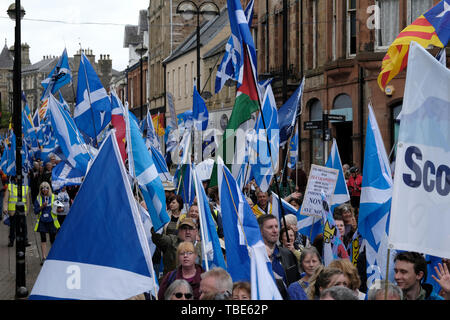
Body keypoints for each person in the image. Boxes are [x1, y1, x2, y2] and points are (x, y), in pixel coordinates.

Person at [257, 214, 300, 299]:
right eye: (270, 227)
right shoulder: (253, 257)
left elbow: (295, 283)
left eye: (276, 226)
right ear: (260, 231)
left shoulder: (287, 254)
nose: (275, 230)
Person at [34, 181, 60, 264]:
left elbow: (59, 208)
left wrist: (60, 210)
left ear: (49, 189)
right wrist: (42, 206)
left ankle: (53, 256)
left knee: (52, 239)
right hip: (42, 222)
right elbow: (35, 211)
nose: (44, 190)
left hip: (51, 221)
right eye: (42, 188)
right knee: (43, 239)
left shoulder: (54, 197)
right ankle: (44, 257)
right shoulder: (38, 198)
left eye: (46, 188)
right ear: (40, 189)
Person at [3, 177, 31, 247]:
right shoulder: (10, 187)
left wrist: (27, 211)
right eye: (17, 178)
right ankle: (11, 241)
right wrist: (5, 208)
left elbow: (28, 201)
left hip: (22, 210)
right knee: (13, 227)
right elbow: (5, 199)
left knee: (23, 226)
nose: (19, 179)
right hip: (12, 210)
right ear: (14, 179)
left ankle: (25, 240)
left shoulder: (25, 188)